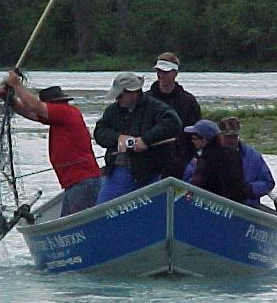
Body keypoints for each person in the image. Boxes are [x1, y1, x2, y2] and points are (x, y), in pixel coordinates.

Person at [2, 70, 101, 216]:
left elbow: (34, 106)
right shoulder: (59, 118)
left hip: (83, 181)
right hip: (75, 183)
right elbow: (29, 112)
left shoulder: (66, 112)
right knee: (69, 221)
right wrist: (9, 100)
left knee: (73, 223)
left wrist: (17, 85)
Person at [94, 72, 182, 203]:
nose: (117, 99)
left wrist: (145, 140)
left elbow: (173, 124)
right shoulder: (112, 110)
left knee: (150, 213)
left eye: (120, 95)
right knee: (101, 210)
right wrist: (118, 138)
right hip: (118, 170)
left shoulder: (155, 107)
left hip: (149, 172)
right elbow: (99, 132)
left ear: (133, 92)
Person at [147, 52, 201, 178]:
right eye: (158, 71)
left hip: (179, 161)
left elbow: (196, 133)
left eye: (165, 72)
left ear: (175, 73)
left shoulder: (188, 101)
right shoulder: (146, 99)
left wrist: (194, 157)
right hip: (150, 162)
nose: (161, 75)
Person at [182, 119, 249, 204]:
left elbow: (198, 184)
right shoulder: (232, 153)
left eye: (195, 139)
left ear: (205, 140)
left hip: (213, 205)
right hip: (234, 204)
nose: (192, 141)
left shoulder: (207, 158)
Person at [219, 116, 275, 208]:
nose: (232, 141)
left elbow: (268, 182)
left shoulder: (253, 156)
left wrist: (249, 189)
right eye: (228, 137)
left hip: (247, 206)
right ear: (220, 135)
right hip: (219, 203)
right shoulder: (211, 154)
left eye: (235, 137)